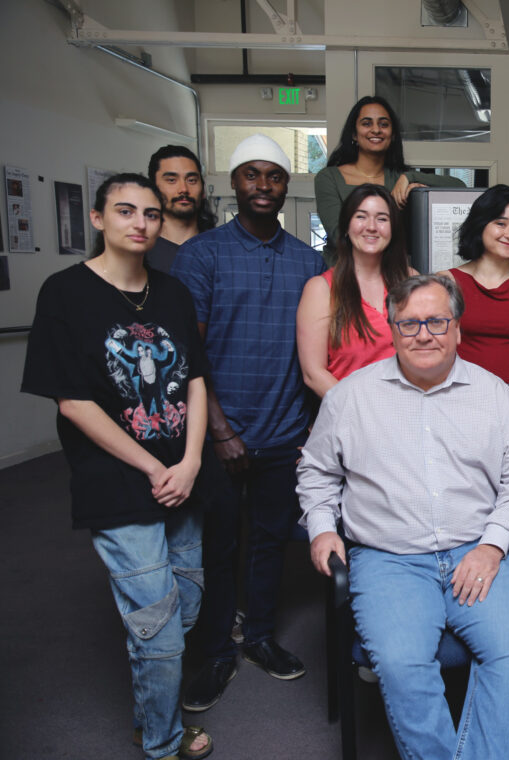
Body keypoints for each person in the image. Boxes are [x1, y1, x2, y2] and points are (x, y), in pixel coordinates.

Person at [297, 274, 509, 760]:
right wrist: (322, 529)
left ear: (457, 329)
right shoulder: (350, 398)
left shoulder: (497, 398)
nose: (423, 334)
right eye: (409, 323)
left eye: (436, 321)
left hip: (478, 551)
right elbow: (316, 471)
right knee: (404, 663)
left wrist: (493, 546)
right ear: (391, 329)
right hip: (390, 560)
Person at [22, 174, 214, 760]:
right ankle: (161, 741)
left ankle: (147, 709)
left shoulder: (173, 293)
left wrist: (190, 461)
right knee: (156, 623)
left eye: (151, 214)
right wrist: (153, 467)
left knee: (186, 603)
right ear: (99, 218)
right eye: (125, 211)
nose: (140, 223)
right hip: (117, 482)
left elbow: (196, 380)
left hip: (182, 477)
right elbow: (73, 400)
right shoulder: (65, 292)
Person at [172, 134, 326, 712]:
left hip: (284, 433)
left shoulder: (310, 263)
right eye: (250, 175)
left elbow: (317, 354)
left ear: (288, 185)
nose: (262, 185)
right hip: (217, 435)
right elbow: (189, 353)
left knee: (268, 543)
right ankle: (215, 650)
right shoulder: (202, 255)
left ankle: (259, 637)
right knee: (217, 544)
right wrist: (220, 431)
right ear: (233, 183)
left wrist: (310, 429)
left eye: (274, 176)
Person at [438, 184, 509, 422]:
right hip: (458, 396)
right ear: (481, 225)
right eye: (501, 223)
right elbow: (436, 352)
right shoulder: (446, 282)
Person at [315, 95, 464, 263]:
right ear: (354, 134)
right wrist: (391, 207)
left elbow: (459, 186)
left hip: (391, 276)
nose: (376, 130)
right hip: (341, 275)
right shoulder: (329, 178)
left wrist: (410, 178)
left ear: (392, 135)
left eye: (383, 124)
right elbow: (338, 236)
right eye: (366, 123)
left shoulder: (400, 179)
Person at [298, 183, 414, 397]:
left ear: (393, 228)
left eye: (382, 219)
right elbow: (313, 374)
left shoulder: (412, 280)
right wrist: (363, 412)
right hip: (348, 418)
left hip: (409, 415)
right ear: (346, 226)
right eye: (361, 216)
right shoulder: (321, 289)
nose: (371, 227)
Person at [145, 145, 217, 273]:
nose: (183, 189)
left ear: (203, 190)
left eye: (191, 180)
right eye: (172, 180)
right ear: (152, 189)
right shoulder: (139, 251)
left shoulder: (221, 249)